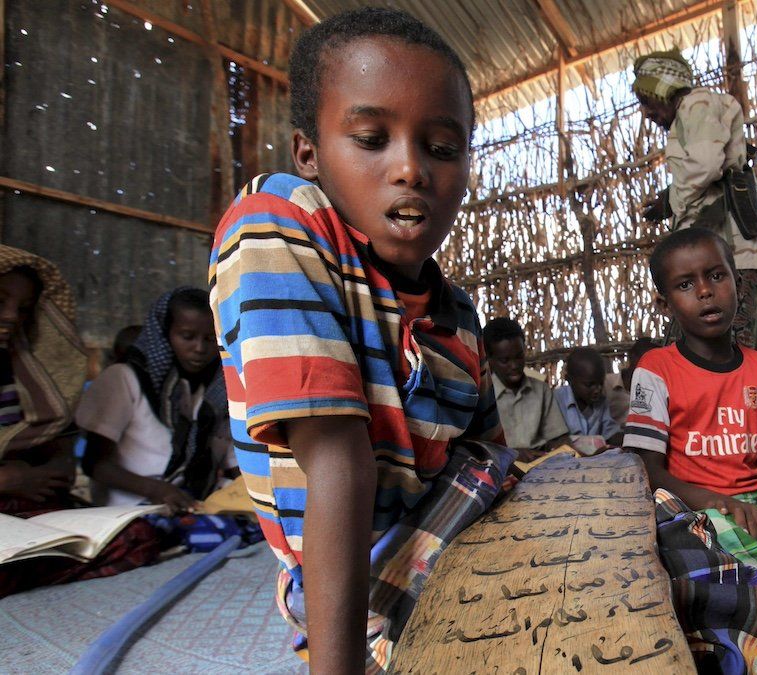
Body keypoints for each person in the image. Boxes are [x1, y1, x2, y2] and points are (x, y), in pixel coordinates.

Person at [208, 8, 511, 671]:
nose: (410, 169)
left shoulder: (457, 313)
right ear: (308, 154)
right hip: (360, 577)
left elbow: (490, 460)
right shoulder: (276, 225)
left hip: (459, 534)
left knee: (639, 518)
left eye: (442, 147)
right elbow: (338, 459)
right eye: (372, 138)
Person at [624, 228, 757, 603]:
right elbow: (649, 471)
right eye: (686, 284)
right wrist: (724, 504)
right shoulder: (655, 370)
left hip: (753, 501)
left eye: (716, 276)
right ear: (664, 304)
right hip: (695, 506)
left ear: (737, 284)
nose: (705, 291)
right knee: (700, 538)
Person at [0, 245, 158, 597]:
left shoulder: (29, 378)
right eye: (1, 302)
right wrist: (8, 478)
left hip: (24, 510)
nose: (12, 317)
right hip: (11, 495)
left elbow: (58, 452)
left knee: (138, 537)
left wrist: (53, 467)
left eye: (23, 310)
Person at [632, 48, 757, 350]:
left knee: (730, 353)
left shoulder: (698, 103)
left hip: (732, 257)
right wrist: (669, 200)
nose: (647, 112)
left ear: (663, 89)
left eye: (647, 101)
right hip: (717, 259)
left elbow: (706, 165)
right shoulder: (691, 114)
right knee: (707, 353)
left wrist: (673, 201)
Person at [78, 288, 234, 510]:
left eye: (211, 338)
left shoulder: (215, 393)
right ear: (164, 332)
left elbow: (230, 461)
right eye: (187, 336)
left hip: (193, 505)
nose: (199, 348)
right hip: (128, 510)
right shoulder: (125, 379)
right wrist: (157, 490)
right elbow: (94, 463)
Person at [483, 317, 569, 460]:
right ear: (489, 360)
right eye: (505, 360)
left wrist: (561, 446)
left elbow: (558, 437)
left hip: (537, 462)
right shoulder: (485, 395)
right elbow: (478, 447)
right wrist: (513, 454)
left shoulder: (541, 390)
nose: (514, 365)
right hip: (500, 463)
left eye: (519, 356)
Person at [554, 347, 622, 446]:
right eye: (589, 385)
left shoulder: (601, 401)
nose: (597, 389)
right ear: (569, 380)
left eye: (601, 383)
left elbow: (610, 432)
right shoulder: (556, 400)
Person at [604, 336, 657, 428]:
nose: (648, 366)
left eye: (654, 363)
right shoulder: (606, 384)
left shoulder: (656, 390)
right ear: (631, 356)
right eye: (645, 359)